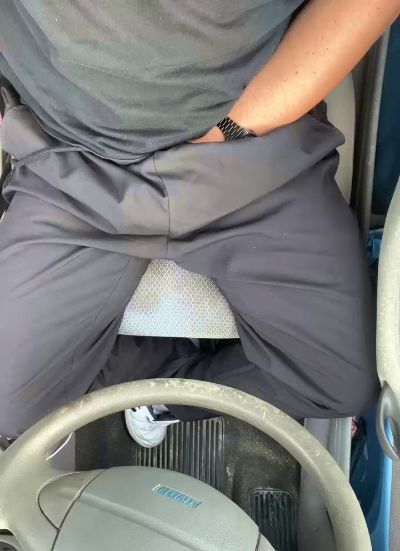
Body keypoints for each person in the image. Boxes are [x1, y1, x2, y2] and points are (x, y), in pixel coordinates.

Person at [0, 1, 398, 450]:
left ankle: (161, 397)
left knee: (341, 383)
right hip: (70, 163)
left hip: (251, 153)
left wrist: (235, 126)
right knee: (13, 409)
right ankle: (152, 384)